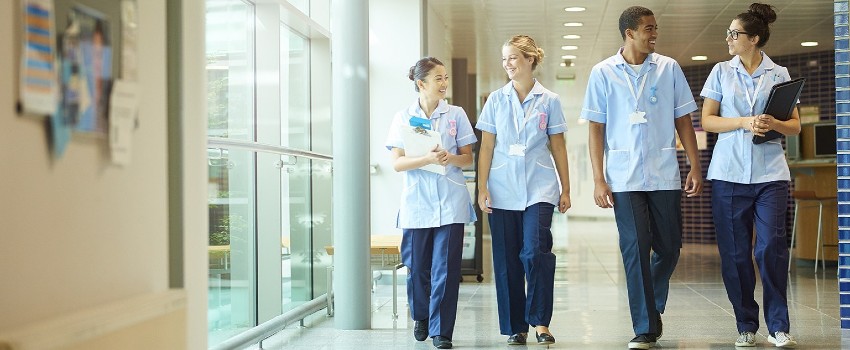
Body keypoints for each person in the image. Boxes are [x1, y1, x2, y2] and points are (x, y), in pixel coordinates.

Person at [580, 6, 703, 350]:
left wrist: (694, 165)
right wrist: (598, 178)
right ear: (629, 33)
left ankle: (650, 301)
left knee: (669, 247)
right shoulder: (603, 72)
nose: (654, 34)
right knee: (635, 248)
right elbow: (596, 129)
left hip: (664, 173)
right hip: (622, 176)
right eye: (648, 29)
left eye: (655, 28)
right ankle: (645, 326)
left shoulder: (669, 69)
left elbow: (683, 120)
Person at [699, 3, 800, 348]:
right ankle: (745, 323)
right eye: (728, 32)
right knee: (736, 253)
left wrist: (774, 123)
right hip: (728, 174)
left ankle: (778, 325)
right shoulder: (720, 72)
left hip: (771, 173)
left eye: (734, 33)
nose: (728, 38)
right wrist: (744, 122)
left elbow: (795, 126)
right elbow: (708, 120)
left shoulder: (779, 74)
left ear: (754, 39)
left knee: (771, 247)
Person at [476, 35, 571, 346]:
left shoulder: (550, 101)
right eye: (504, 59)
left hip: (540, 188)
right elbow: (487, 146)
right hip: (502, 189)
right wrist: (482, 188)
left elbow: (558, 145)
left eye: (513, 58)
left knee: (535, 252)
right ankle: (516, 327)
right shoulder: (495, 100)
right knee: (506, 261)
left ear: (530, 59)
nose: (507, 64)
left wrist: (565, 188)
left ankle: (541, 321)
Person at [385, 57, 477, 350]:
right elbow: (398, 164)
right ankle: (422, 315)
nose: (444, 84)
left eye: (446, 78)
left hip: (450, 200)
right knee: (417, 267)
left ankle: (442, 331)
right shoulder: (403, 117)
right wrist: (426, 159)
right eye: (438, 79)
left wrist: (450, 158)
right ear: (421, 83)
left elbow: (468, 157)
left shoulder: (456, 114)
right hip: (417, 203)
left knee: (446, 269)